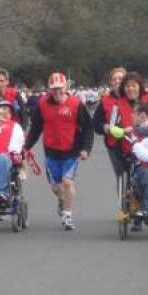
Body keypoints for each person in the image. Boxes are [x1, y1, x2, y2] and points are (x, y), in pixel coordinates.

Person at [25, 72, 94, 230]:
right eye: (53, 89)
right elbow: (36, 128)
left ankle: (67, 216)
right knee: (57, 188)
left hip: (71, 151)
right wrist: (26, 146)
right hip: (51, 152)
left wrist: (86, 148)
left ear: (66, 87)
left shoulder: (76, 104)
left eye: (60, 88)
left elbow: (88, 128)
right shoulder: (42, 104)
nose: (57, 92)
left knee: (68, 183)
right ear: (49, 89)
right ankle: (62, 199)